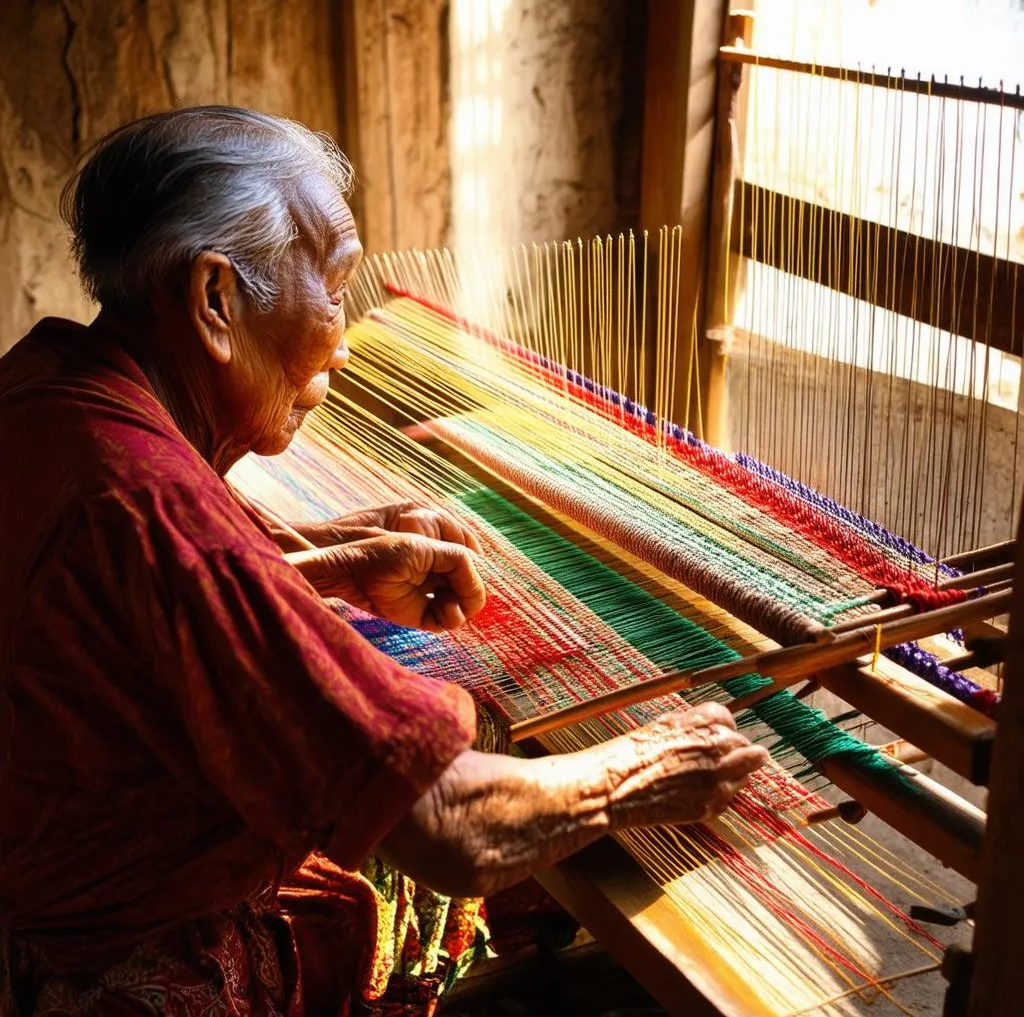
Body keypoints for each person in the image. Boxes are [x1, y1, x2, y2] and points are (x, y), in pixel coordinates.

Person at [0, 106, 769, 1017]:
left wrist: (322, 558)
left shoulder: (46, 390)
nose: (347, 335)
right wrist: (641, 770)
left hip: (46, 869)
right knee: (513, 773)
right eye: (333, 284)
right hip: (134, 951)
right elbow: (456, 829)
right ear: (215, 301)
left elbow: (120, 610)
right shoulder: (153, 507)